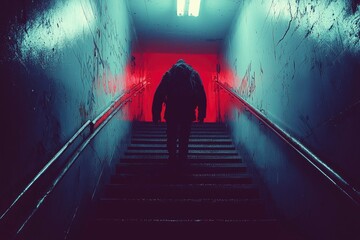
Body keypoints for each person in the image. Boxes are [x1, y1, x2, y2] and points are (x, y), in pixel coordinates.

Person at [152, 59, 206, 168]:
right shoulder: (194, 74)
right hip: (188, 110)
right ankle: (182, 158)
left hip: (172, 110)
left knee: (171, 134)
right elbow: (201, 95)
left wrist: (156, 114)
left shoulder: (169, 74)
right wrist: (201, 113)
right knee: (184, 135)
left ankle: (172, 156)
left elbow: (159, 94)